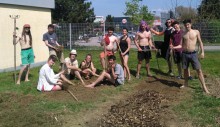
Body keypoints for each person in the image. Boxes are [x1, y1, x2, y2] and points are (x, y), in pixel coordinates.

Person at [181, 19, 210, 93]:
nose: (187, 26)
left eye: (188, 24)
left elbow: (200, 42)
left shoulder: (196, 32)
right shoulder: (183, 33)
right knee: (185, 70)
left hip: (193, 54)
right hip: (185, 54)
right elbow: (181, 44)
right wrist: (173, 48)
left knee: (199, 70)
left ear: (190, 24)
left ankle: (204, 87)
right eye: (185, 25)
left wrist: (202, 52)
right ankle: (186, 83)